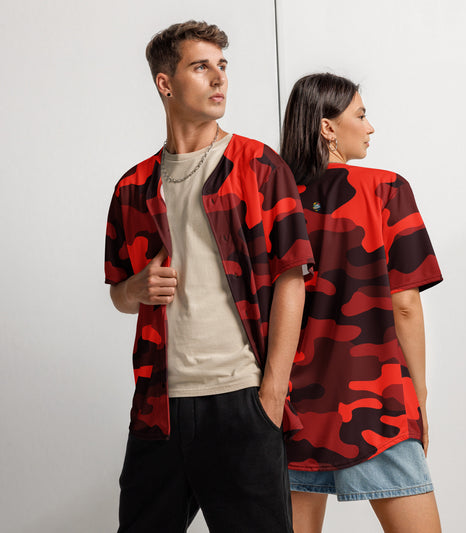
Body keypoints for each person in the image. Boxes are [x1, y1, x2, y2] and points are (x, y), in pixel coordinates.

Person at [104, 21, 314, 533]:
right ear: (165, 83)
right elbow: (119, 294)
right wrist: (136, 288)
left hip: (241, 399)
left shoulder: (259, 167)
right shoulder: (133, 187)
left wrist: (271, 396)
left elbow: (293, 279)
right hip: (158, 408)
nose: (219, 78)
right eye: (201, 67)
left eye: (222, 66)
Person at [280, 73, 443, 533]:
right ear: (327, 128)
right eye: (361, 115)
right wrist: (419, 394)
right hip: (377, 401)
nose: (370, 127)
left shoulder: (275, 200)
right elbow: (404, 304)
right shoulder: (387, 188)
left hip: (290, 408)